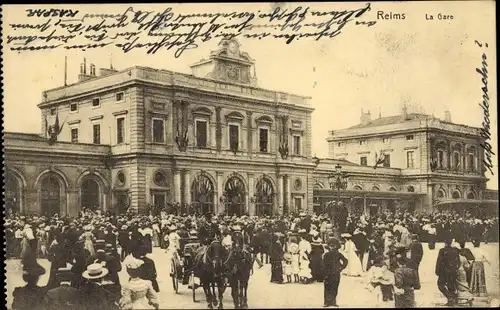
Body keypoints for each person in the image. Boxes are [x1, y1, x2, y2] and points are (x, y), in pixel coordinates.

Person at [322, 238, 348, 307]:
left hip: (336, 273)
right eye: (331, 246)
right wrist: (324, 274)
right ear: (328, 247)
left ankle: (333, 301)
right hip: (328, 274)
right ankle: (327, 302)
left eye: (334, 246)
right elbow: (323, 265)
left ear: (337, 246)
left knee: (335, 287)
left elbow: (345, 261)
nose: (332, 247)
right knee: (327, 287)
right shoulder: (326, 255)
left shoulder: (339, 254)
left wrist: (341, 268)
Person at [435, 236, 460, 306]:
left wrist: (437, 271)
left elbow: (439, 261)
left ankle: (450, 297)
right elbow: (458, 262)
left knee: (440, 284)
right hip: (453, 271)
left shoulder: (442, 251)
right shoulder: (455, 250)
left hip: (444, 271)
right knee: (451, 285)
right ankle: (454, 299)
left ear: (445, 243)